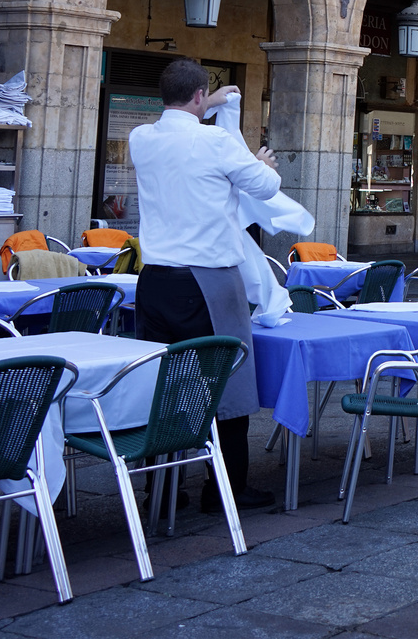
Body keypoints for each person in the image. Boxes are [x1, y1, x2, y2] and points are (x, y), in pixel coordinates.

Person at [128, 58, 282, 512]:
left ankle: (162, 489)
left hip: (153, 279)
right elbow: (268, 186)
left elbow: (178, 118)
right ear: (198, 96)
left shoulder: (142, 138)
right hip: (208, 279)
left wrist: (205, 101)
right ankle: (226, 490)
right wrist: (255, 160)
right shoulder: (216, 142)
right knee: (228, 382)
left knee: (164, 385)